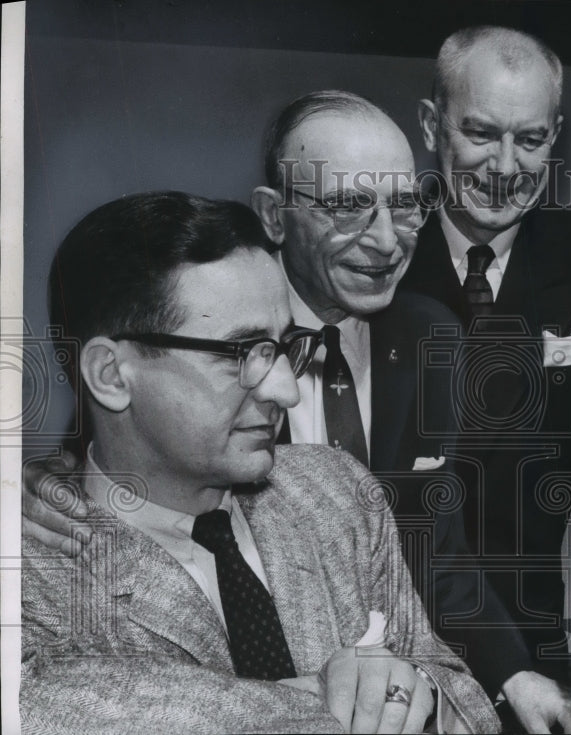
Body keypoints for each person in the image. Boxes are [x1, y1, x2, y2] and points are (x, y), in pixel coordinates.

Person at [22, 91, 527, 720]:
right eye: (242, 353)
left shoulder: (341, 492)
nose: (287, 388)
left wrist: (421, 694)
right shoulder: (33, 563)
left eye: (286, 347)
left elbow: (456, 689)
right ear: (110, 374)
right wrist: (325, 704)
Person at [399, 27, 571, 730]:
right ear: (432, 125)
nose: (505, 166)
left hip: (548, 631)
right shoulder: (381, 257)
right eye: (480, 133)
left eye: (531, 139)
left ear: (557, 136)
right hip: (398, 629)